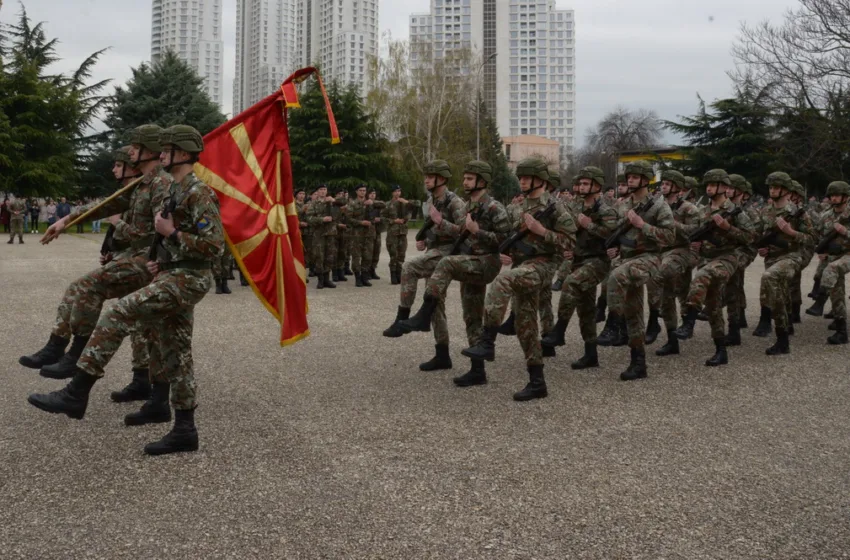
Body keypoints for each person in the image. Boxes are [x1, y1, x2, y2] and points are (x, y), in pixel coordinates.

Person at [28, 124, 224, 456]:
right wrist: (159, 258)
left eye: (168, 149)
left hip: (188, 279)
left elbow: (214, 246)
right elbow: (160, 236)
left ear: (185, 154)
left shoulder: (198, 192)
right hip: (172, 274)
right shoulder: (176, 189)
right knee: (176, 351)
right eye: (160, 148)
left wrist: (172, 234)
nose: (161, 154)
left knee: (119, 312)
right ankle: (184, 430)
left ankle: (77, 391)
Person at [18, 125, 170, 382]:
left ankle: (74, 356)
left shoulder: (161, 183)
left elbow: (157, 234)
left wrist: (119, 230)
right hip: (135, 256)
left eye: (135, 147)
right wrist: (64, 221)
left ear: (149, 150)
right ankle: (57, 347)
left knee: (89, 286)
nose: (130, 151)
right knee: (84, 291)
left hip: (150, 262)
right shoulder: (143, 184)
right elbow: (102, 206)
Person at [461, 157, 576, 400]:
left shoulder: (556, 208)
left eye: (527, 177)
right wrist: (508, 254)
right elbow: (512, 239)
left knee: (502, 282)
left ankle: (487, 342)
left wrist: (542, 231)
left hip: (544, 266)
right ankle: (537, 383)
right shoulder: (516, 208)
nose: (522, 181)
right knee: (526, 326)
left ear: (541, 180)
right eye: (520, 177)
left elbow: (570, 243)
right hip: (523, 266)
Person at [397, 160, 511, 386]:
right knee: (472, 315)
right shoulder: (470, 206)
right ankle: (477, 371)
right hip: (470, 261)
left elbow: (504, 240)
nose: (465, 182)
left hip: (486, 262)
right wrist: (431, 238)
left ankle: (424, 313)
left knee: (446, 263)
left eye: (469, 179)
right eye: (465, 178)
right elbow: (460, 234)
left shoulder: (494, 207)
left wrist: (477, 231)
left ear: (482, 181)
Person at [382, 160, 466, 374]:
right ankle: (443, 355)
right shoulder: (432, 200)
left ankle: (402, 318)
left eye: (430, 176)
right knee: (436, 305)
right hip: (435, 251)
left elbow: (466, 232)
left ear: (442, 179)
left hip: (449, 254)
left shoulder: (454, 202)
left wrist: (441, 223)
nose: (426, 180)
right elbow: (434, 231)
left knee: (409, 267)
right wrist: (425, 241)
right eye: (426, 176)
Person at [672, 169, 753, 366]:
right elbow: (696, 233)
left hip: (727, 258)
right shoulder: (703, 211)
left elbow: (750, 238)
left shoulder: (735, 211)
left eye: (713, 184)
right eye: (707, 185)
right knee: (714, 305)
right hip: (708, 258)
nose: (708, 188)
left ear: (724, 187)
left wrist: (728, 228)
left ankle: (689, 320)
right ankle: (720, 350)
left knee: (701, 276)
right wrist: (695, 243)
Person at [603, 160, 675, 381]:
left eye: (634, 177)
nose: (629, 181)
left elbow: (670, 236)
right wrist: (614, 249)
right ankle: (638, 362)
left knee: (616, 276)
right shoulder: (623, 206)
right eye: (628, 177)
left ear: (645, 180)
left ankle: (613, 325)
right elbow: (616, 235)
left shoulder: (658, 206)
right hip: (628, 259)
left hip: (650, 258)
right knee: (634, 311)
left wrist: (642, 225)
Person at [541, 166, 617, 369]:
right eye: (581, 183)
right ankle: (591, 354)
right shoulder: (573, 206)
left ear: (597, 186)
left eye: (586, 183)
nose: (582, 187)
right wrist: (568, 248)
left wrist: (588, 224)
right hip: (579, 260)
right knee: (585, 308)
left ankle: (559, 330)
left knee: (571, 284)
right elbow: (567, 231)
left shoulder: (606, 210)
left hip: (598, 262)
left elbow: (610, 236)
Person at [752, 172, 814, 355]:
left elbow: (812, 239)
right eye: (771, 187)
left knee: (770, 278)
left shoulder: (797, 212)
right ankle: (784, 337)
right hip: (772, 258)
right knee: (780, 293)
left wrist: (791, 232)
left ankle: (778, 333)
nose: (772, 190)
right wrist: (762, 249)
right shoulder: (765, 211)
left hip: (792, 257)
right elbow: (759, 237)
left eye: (776, 187)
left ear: (786, 191)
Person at [646, 170, 700, 354]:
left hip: (682, 251)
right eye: (663, 184)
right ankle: (672, 339)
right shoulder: (656, 206)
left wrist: (671, 223)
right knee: (669, 295)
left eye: (668, 184)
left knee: (676, 285)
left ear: (677, 188)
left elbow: (694, 232)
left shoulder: (688, 208)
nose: (663, 187)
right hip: (663, 251)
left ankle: (686, 322)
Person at [806, 181, 850, 344]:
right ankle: (841, 331)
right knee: (837, 291)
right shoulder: (826, 215)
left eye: (837, 195)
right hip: (833, 255)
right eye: (831, 195)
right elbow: (818, 235)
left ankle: (820, 301)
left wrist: (845, 232)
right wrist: (823, 251)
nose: (833, 198)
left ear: (845, 197)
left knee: (831, 269)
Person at [383, 185, 408, 285]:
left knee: (402, 255)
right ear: (392, 193)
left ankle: (399, 274)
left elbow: (416, 206)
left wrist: (406, 203)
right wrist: (393, 221)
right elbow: (382, 218)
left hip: (403, 233)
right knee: (394, 255)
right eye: (396, 191)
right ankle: (393, 275)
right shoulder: (388, 204)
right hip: (393, 233)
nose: (398, 193)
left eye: (399, 191)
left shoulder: (404, 203)